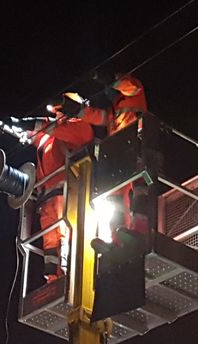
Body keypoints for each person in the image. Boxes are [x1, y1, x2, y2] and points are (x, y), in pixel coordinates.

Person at [9, 108, 94, 282]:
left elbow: (52, 128)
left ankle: (69, 277)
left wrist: (35, 123)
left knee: (66, 235)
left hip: (66, 193)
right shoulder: (48, 137)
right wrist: (19, 128)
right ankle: (52, 280)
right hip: (47, 199)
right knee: (50, 243)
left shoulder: (80, 127)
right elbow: (39, 134)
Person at [65, 73, 150, 241]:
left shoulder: (135, 93)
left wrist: (108, 77)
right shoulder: (112, 111)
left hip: (136, 149)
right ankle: (116, 238)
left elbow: (129, 85)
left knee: (139, 189)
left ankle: (139, 232)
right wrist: (79, 110)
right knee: (115, 197)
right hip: (117, 156)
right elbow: (96, 116)